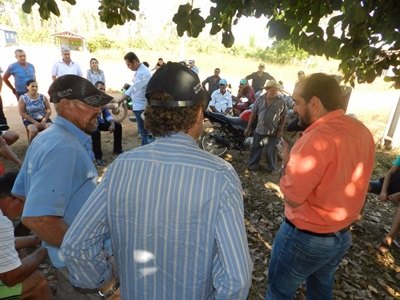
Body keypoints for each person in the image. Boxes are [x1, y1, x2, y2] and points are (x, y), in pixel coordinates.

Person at [61, 62, 253, 300]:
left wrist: (108, 286)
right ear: (198, 113)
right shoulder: (220, 175)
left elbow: (76, 246)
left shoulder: (121, 167)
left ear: (151, 115)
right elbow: (236, 278)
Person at [265, 73, 375, 299]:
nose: (294, 109)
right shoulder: (362, 131)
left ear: (314, 102)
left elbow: (293, 197)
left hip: (307, 237)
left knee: (279, 292)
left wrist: (287, 163)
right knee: (320, 289)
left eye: (297, 102)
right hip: (341, 235)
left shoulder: (315, 138)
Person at [12, 74, 113, 300]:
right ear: (67, 106)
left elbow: (21, 194)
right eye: (92, 105)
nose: (99, 111)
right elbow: (37, 218)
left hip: (66, 261)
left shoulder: (46, 137)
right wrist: (85, 256)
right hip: (81, 265)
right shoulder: (64, 147)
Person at [0, 172, 53, 300]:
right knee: (38, 280)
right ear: (11, 198)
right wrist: (45, 249)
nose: (25, 210)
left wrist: (35, 239)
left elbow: (3, 243)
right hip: (9, 277)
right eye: (26, 203)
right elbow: (11, 277)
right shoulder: (2, 222)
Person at [245, 80, 286, 172]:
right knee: (257, 147)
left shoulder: (281, 100)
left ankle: (271, 168)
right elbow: (253, 114)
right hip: (260, 130)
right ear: (267, 89)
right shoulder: (260, 99)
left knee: (270, 150)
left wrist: (281, 129)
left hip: (273, 131)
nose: (274, 92)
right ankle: (253, 165)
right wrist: (249, 127)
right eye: (272, 90)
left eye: (276, 90)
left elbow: (283, 116)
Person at [116, 51, 152, 145]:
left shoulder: (143, 72)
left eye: (128, 65)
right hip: (138, 105)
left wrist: (121, 100)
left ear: (135, 62)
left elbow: (134, 88)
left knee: (144, 132)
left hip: (142, 106)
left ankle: (146, 152)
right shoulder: (140, 71)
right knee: (143, 132)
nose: (128, 67)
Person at [369, 156, 400, 253]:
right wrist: (383, 191)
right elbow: (390, 173)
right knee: (363, 186)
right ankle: (353, 219)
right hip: (388, 185)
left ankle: (388, 239)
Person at [91, 81, 123, 166]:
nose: (102, 91)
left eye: (104, 89)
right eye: (100, 88)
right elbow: (92, 108)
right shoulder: (90, 98)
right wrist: (106, 106)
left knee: (117, 126)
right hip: (90, 124)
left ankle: (117, 151)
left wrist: (112, 123)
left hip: (100, 122)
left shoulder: (101, 99)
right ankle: (98, 158)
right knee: (95, 132)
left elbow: (107, 114)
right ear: (95, 89)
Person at [18, 80, 52, 144]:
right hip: (30, 120)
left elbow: (48, 110)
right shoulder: (23, 98)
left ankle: (48, 146)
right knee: (33, 130)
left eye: (36, 86)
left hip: (43, 118)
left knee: (50, 128)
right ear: (27, 87)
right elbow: (22, 113)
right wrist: (35, 122)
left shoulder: (43, 97)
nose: (35, 88)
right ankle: (32, 148)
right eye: (32, 86)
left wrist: (44, 120)